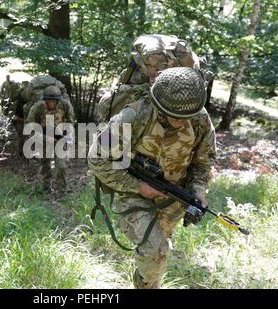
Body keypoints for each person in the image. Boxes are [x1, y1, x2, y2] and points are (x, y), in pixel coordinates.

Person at [88, 67, 216, 289]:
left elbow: (203, 164)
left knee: (159, 250)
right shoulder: (133, 116)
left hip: (173, 198)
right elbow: (97, 157)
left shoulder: (200, 119)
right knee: (155, 250)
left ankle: (144, 281)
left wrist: (197, 191)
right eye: (172, 116)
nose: (178, 122)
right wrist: (137, 186)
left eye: (184, 118)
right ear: (158, 104)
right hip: (132, 192)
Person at [26, 85, 75, 193]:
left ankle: (62, 189)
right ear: (45, 100)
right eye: (49, 100)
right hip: (43, 136)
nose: (51, 103)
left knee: (61, 165)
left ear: (58, 100)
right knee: (45, 164)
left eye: (54, 101)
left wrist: (68, 137)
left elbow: (71, 123)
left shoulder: (65, 105)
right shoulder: (37, 108)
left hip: (60, 136)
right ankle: (46, 188)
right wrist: (46, 139)